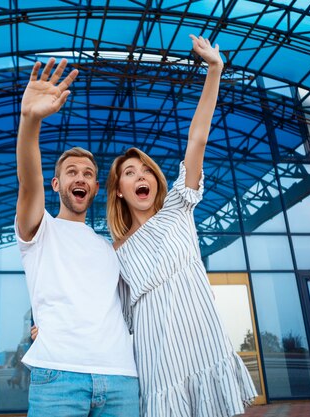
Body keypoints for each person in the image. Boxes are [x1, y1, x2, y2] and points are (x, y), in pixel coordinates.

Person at [106, 35, 257, 416]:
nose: (140, 176)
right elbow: (105, 313)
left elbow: (198, 137)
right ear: (120, 191)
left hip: (203, 344)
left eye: (145, 170)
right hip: (158, 363)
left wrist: (214, 69)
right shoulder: (116, 254)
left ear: (155, 181)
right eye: (129, 172)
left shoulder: (177, 208)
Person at [15, 57, 139, 417]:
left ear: (97, 187)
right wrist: (30, 120)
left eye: (88, 173)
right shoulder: (39, 231)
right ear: (56, 185)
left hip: (121, 379)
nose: (80, 178)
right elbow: (28, 181)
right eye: (71, 172)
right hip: (59, 379)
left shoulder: (110, 248)